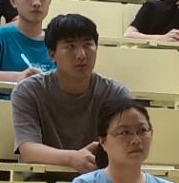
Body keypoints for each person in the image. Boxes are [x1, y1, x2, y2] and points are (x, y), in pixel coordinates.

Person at [11, 15, 131, 173]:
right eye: (70, 46)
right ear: (52, 54)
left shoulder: (115, 93)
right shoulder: (28, 91)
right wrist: (72, 158)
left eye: (88, 45)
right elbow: (28, 150)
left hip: (100, 179)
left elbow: (127, 145)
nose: (81, 55)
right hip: (41, 178)